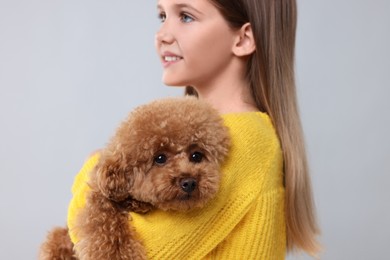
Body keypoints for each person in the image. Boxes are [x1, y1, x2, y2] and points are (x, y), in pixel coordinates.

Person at [67, 0, 321, 258]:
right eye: (162, 15)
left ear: (243, 39)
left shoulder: (244, 139)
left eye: (186, 16)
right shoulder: (216, 136)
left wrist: (93, 168)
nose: (162, 35)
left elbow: (123, 250)